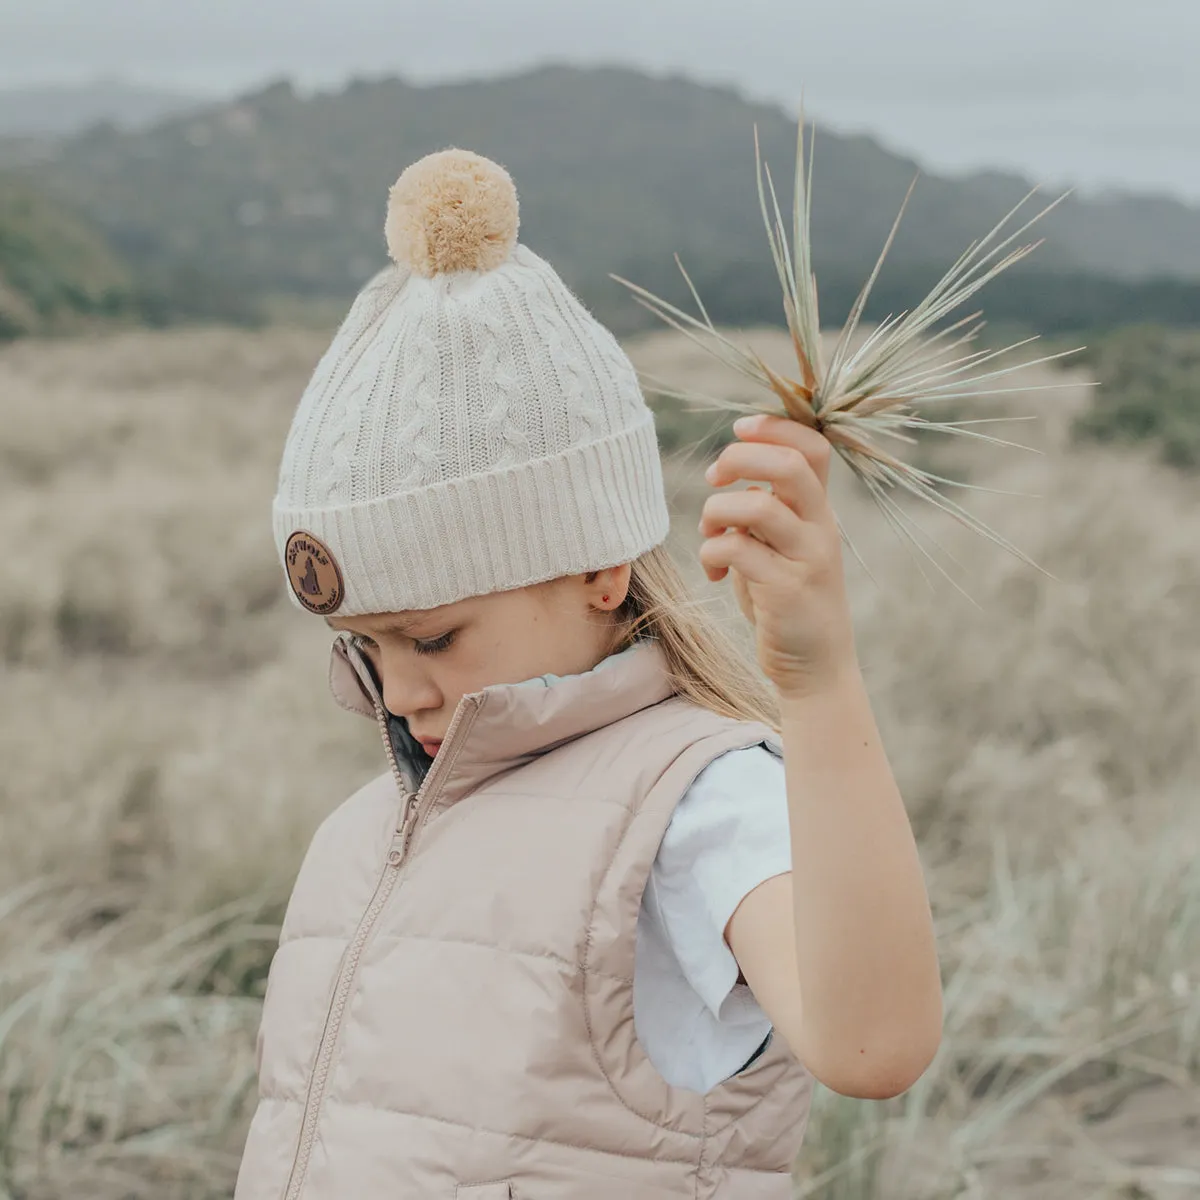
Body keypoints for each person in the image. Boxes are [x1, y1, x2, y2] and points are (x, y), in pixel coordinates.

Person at [235, 148, 943, 1200]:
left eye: (433, 640)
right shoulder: (360, 833)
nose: (399, 693)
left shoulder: (694, 805)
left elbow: (874, 1044)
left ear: (599, 567)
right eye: (364, 648)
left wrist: (819, 682)